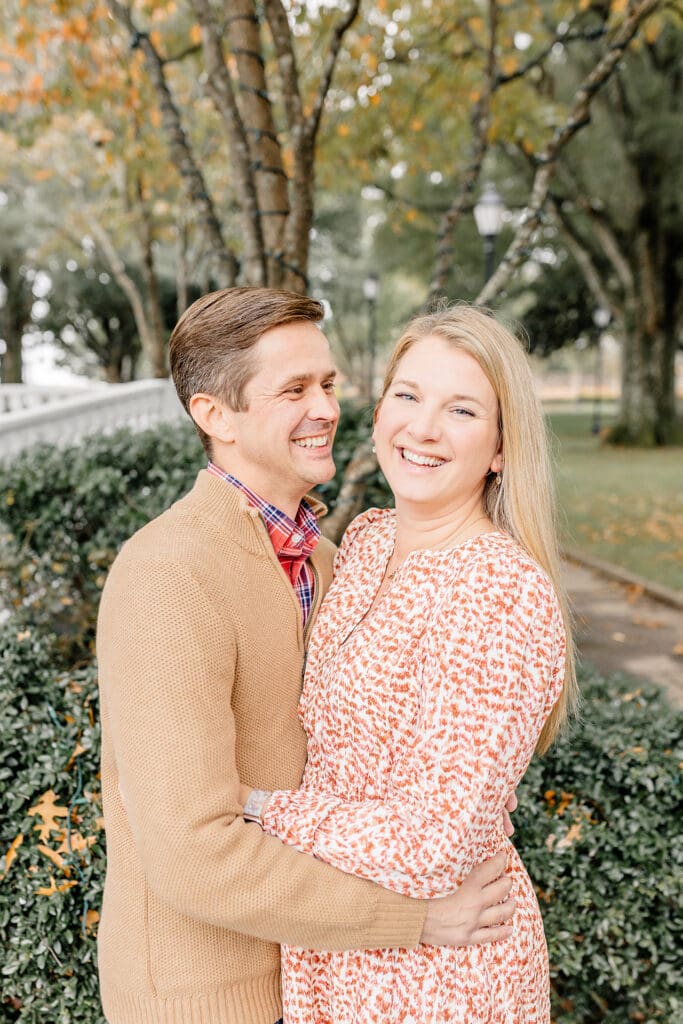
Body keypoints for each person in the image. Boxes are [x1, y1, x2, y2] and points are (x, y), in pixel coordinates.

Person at [95, 288, 519, 1024]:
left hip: (326, 980)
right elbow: (192, 852)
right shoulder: (167, 575)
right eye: (292, 390)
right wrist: (413, 919)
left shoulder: (331, 561)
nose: (324, 408)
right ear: (213, 416)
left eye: (326, 383)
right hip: (206, 996)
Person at [241, 304, 578, 1023]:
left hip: (437, 972)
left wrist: (256, 809)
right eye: (407, 395)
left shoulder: (499, 593)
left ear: (499, 447)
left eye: (460, 410)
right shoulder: (366, 540)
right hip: (339, 941)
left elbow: (433, 842)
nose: (422, 429)